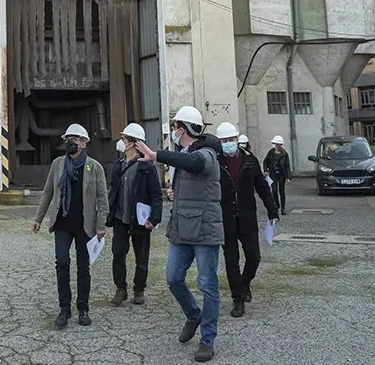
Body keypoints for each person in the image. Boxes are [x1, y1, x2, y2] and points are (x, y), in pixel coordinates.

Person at [135, 106, 222, 363]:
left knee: (208, 285)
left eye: (175, 127)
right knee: (173, 277)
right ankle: (193, 315)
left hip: (205, 228)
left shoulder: (206, 153)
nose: (173, 131)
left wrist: (157, 155)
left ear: (182, 129)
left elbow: (195, 164)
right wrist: (174, 193)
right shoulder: (183, 154)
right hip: (183, 227)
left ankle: (208, 340)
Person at [31, 124, 109, 329]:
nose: (70, 142)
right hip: (62, 224)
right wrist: (38, 218)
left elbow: (102, 198)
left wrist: (101, 225)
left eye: (75, 139)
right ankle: (64, 309)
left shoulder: (95, 167)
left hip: (85, 225)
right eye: (68, 138)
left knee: (83, 268)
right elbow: (48, 192)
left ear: (84, 143)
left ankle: (83, 308)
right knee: (62, 263)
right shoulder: (57, 164)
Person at [215, 122, 279, 319]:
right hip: (225, 219)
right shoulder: (215, 161)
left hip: (247, 217)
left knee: (254, 256)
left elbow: (261, 186)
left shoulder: (250, 160)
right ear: (219, 142)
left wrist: (272, 209)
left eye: (231, 140)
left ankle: (244, 283)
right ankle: (238, 299)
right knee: (231, 260)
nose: (228, 144)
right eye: (224, 141)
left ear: (237, 139)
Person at [106, 123, 163, 307]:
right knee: (118, 253)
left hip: (140, 220)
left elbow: (156, 194)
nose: (121, 142)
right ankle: (120, 289)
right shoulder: (117, 165)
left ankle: (139, 290)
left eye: (124, 139)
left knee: (142, 257)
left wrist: (154, 219)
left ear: (132, 143)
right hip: (120, 219)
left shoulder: (147, 167)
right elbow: (113, 191)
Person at [263, 136, 291, 214]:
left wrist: (289, 177)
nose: (274, 145)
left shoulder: (285, 154)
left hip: (282, 174)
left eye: (275, 144)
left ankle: (283, 208)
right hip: (273, 173)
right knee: (274, 189)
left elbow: (287, 165)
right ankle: (277, 204)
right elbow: (265, 161)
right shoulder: (271, 152)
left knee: (282, 191)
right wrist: (266, 170)